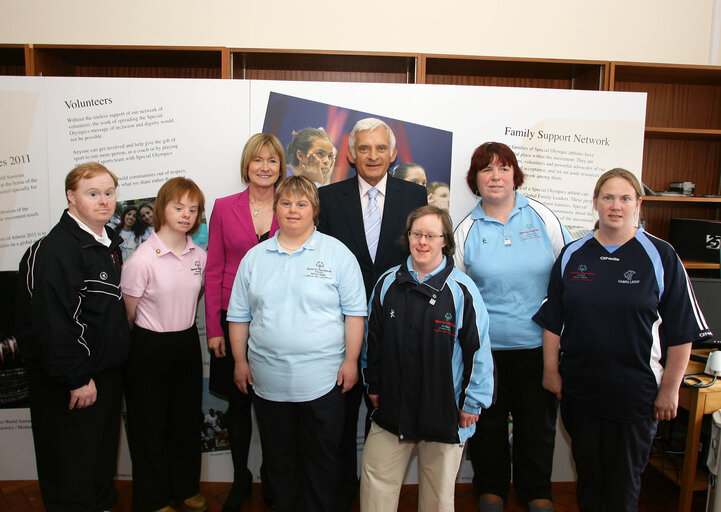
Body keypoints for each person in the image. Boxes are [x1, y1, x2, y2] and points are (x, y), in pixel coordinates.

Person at [533, 168, 712, 512]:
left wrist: (670, 390)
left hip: (636, 397)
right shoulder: (573, 254)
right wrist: (551, 372)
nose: (616, 206)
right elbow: (554, 321)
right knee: (589, 480)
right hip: (581, 393)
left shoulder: (662, 256)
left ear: (638, 204)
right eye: (608, 197)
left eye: (625, 198)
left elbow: (682, 331)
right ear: (595, 204)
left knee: (622, 488)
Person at [227, 175, 367, 512]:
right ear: (276, 208)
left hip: (323, 381)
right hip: (268, 381)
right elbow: (238, 315)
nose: (293, 210)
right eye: (286, 203)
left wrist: (351, 361)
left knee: (322, 459)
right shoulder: (255, 258)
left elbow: (355, 315)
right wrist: (239, 361)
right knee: (279, 459)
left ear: (314, 210)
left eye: (301, 203)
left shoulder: (337, 254)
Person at [453, 142, 571, 512]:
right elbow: (456, 295)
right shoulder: (466, 228)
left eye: (503, 168)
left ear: (515, 175)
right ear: (475, 179)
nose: (495, 176)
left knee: (536, 427)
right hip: (486, 352)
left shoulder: (543, 217)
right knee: (486, 426)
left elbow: (566, 277)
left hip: (539, 347)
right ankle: (490, 489)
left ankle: (536, 490)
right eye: (486, 169)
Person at [318, 118, 427, 507]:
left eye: (380, 148)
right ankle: (343, 493)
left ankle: (376, 497)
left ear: (393, 153)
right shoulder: (328, 198)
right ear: (350, 153)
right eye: (364, 148)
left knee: (384, 415)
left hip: (395, 326)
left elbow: (421, 258)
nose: (373, 155)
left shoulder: (416, 197)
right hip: (339, 326)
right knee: (340, 419)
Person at [359, 205, 494, 512]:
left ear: (444, 240)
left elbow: (479, 351)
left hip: (445, 412)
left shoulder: (462, 290)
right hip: (392, 406)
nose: (422, 242)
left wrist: (472, 403)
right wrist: (374, 386)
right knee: (375, 484)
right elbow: (373, 342)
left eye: (431, 235)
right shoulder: (387, 284)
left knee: (438, 497)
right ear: (407, 237)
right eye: (416, 234)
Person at [16, 162, 130, 511]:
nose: (103, 201)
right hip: (74, 383)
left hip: (104, 378)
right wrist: (77, 378)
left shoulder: (107, 244)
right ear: (71, 197)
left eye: (108, 193)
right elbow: (53, 322)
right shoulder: (56, 249)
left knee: (97, 463)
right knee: (70, 469)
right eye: (92, 194)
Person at [204, 133, 286, 511]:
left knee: (274, 407)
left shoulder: (292, 204)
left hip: (278, 319)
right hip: (231, 318)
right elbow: (215, 269)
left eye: (272, 160)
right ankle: (240, 478)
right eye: (258, 160)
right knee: (238, 405)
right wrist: (215, 328)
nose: (265, 167)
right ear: (247, 165)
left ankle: (273, 477)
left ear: (281, 166)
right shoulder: (223, 207)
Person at [121, 177, 208, 512]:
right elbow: (127, 317)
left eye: (193, 208)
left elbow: (195, 296)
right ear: (161, 209)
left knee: (185, 421)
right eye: (178, 207)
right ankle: (153, 498)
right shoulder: (141, 260)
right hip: (147, 348)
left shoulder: (199, 255)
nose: (186, 214)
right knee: (149, 427)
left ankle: (184, 488)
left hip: (186, 345)